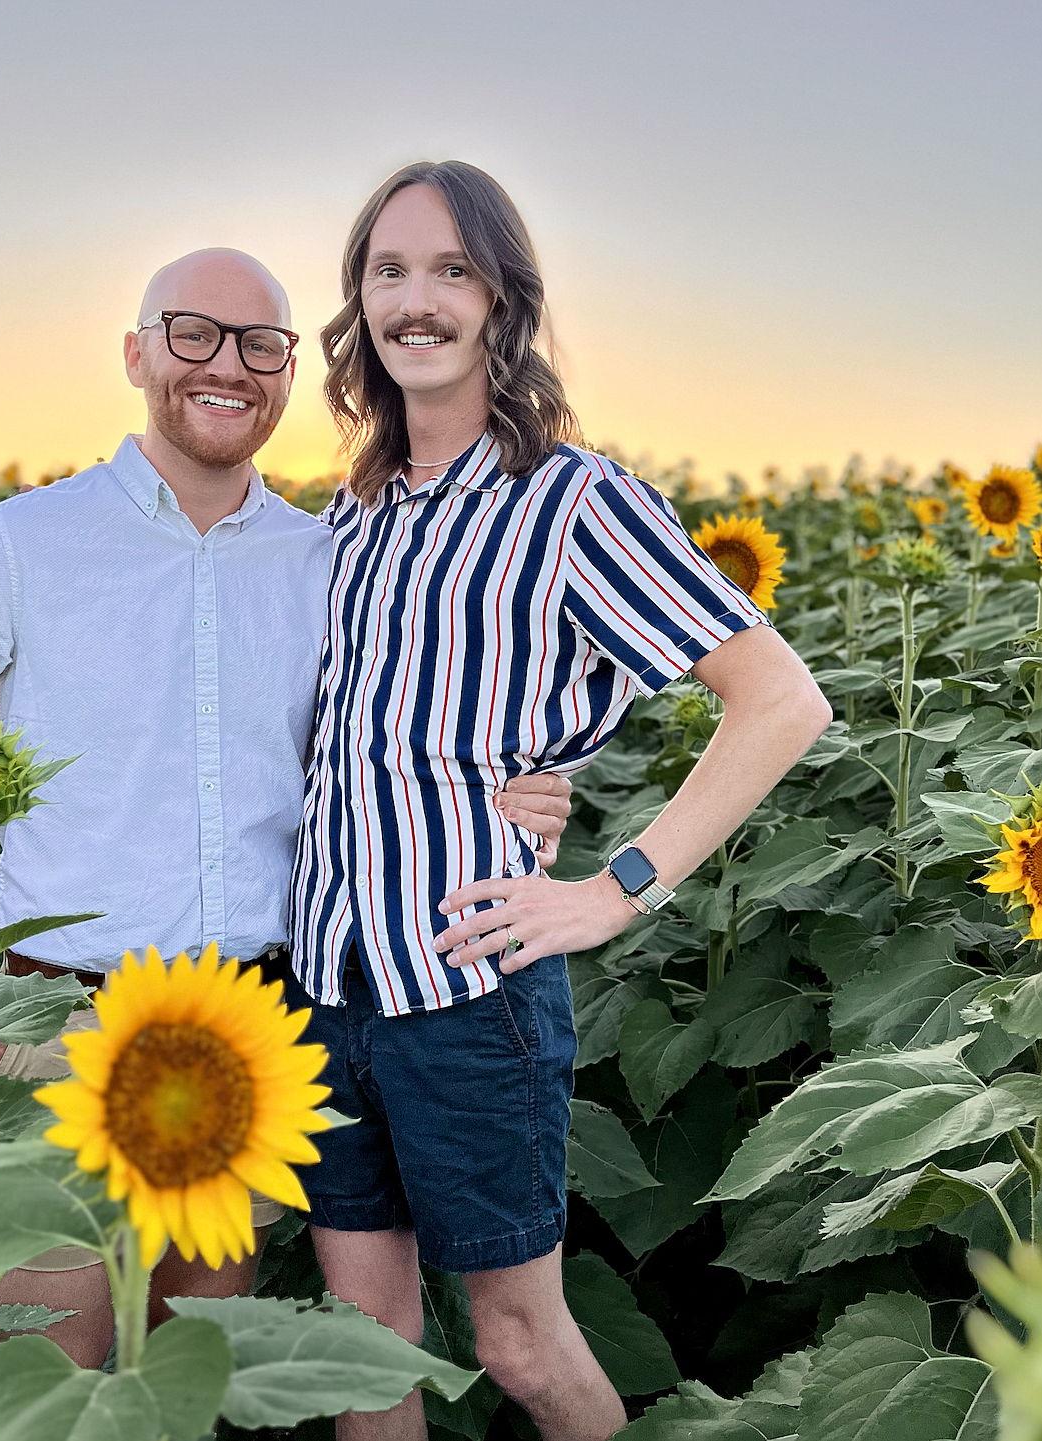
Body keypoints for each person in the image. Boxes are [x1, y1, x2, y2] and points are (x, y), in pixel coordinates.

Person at [0, 246, 573, 1368]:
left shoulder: (328, 560)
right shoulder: (22, 544)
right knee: (51, 1367)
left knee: (189, 1369)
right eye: (193, 334)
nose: (228, 366)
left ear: (286, 377)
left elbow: (406, 735)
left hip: (242, 1024)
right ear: (135, 354)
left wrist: (530, 783)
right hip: (55, 1022)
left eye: (262, 345)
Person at [283, 162, 833, 1441]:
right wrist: (549, 762)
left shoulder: (572, 500)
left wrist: (614, 887)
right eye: (387, 271)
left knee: (524, 1348)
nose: (414, 300)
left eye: (449, 271)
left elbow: (780, 700)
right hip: (327, 982)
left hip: (470, 991)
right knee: (365, 1351)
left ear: (500, 301)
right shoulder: (352, 514)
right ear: (360, 304)